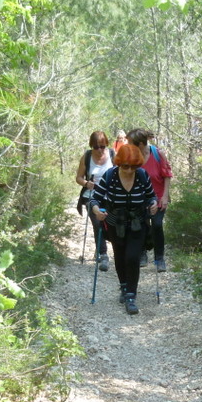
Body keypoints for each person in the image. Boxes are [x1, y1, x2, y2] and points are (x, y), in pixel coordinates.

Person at [89, 144, 158, 315]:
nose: (129, 170)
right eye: (125, 166)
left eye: (134, 166)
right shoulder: (110, 175)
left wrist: (154, 204)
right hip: (115, 223)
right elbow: (95, 199)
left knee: (132, 257)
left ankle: (131, 296)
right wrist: (97, 211)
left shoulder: (142, 175)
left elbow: (151, 196)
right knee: (120, 256)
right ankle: (124, 286)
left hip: (137, 223)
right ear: (119, 163)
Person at [126, 128, 173, 272]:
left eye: (130, 143)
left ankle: (159, 259)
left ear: (140, 144)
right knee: (141, 226)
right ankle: (142, 253)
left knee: (157, 225)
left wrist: (165, 196)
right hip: (140, 199)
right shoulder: (132, 156)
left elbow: (167, 175)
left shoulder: (158, 154)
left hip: (158, 197)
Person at [75, 131, 115, 271]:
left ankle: (105, 247)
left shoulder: (112, 155)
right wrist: (86, 183)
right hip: (91, 195)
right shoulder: (86, 157)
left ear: (106, 145)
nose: (99, 150)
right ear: (91, 146)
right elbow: (78, 178)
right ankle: (103, 254)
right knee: (97, 223)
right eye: (96, 147)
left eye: (102, 146)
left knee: (109, 223)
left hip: (110, 196)